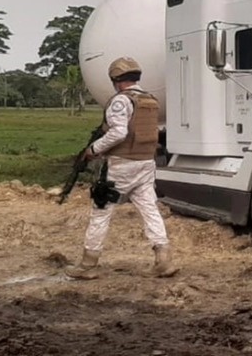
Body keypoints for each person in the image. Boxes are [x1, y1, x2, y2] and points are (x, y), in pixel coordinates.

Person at [65, 57, 178, 280]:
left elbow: (118, 133)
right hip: (146, 163)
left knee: (101, 210)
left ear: (116, 79)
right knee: (149, 209)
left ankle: (88, 263)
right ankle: (163, 259)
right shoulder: (150, 100)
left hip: (122, 164)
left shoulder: (121, 101)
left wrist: (93, 149)